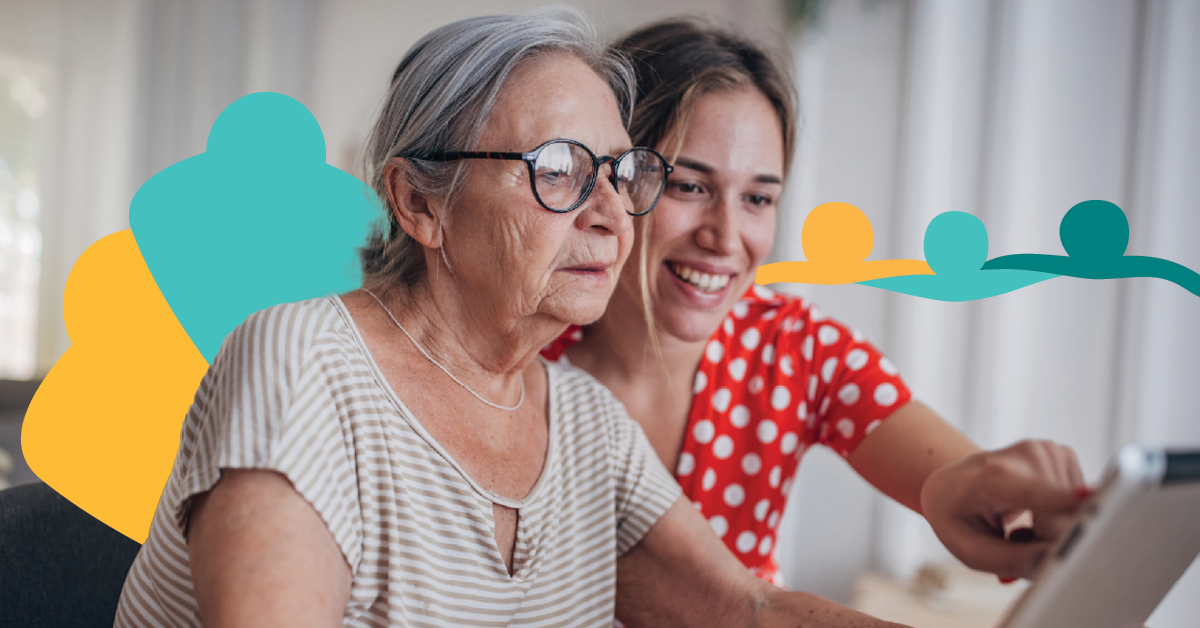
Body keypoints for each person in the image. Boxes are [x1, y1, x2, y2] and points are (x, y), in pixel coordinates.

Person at [114, 9, 911, 628]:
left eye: (618, 172)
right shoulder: (303, 361)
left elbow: (742, 611)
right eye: (558, 169)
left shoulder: (587, 426)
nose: (610, 214)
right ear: (420, 203)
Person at [543, 17, 1088, 588]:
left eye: (757, 198)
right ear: (610, 178)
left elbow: (959, 478)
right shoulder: (521, 351)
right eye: (689, 186)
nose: (726, 237)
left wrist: (992, 494)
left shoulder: (792, 346)